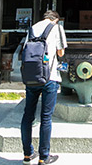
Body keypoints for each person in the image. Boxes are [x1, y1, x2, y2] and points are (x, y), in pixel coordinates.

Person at [21, 10, 67, 164]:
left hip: (31, 77)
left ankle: (27, 154)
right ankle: (44, 157)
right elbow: (61, 53)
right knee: (46, 117)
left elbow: (25, 50)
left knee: (28, 115)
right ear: (56, 20)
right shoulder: (57, 28)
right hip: (50, 77)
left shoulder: (32, 28)